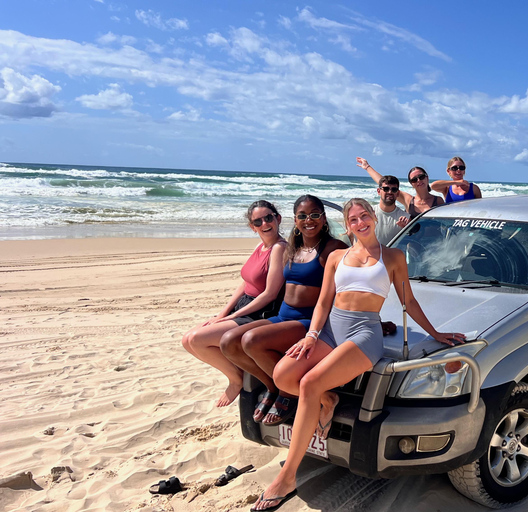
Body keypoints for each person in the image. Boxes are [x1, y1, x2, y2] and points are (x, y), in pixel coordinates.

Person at [249, 198, 465, 511]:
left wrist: (437, 335)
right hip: (331, 329)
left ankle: (287, 476)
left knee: (309, 383)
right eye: (353, 219)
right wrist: (311, 336)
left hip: (364, 334)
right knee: (283, 375)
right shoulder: (337, 256)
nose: (360, 222)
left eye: (365, 216)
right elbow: (323, 303)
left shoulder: (392, 256)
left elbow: (409, 302)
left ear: (373, 217)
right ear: (347, 225)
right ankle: (328, 400)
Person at [219, 195, 347, 425]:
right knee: (228, 342)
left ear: (324, 218)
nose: (309, 220)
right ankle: (273, 385)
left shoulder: (333, 248)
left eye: (315, 214)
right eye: (302, 216)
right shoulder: (294, 247)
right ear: (295, 220)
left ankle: (288, 393)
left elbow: (350, 288)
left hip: (308, 321)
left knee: (251, 340)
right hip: (282, 316)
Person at [181, 201, 286, 407]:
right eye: (258, 221)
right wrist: (222, 314)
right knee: (187, 340)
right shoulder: (260, 246)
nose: (264, 223)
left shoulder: (279, 248)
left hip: (260, 312)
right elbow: (245, 283)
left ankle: (236, 380)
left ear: (278, 219)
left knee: (197, 339)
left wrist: (230, 318)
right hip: (243, 306)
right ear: (252, 227)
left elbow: (269, 294)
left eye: (268, 217)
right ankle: (239, 373)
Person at [356, 157, 444, 220]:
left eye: (421, 177)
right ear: (411, 184)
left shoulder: (438, 201)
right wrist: (367, 167)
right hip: (413, 244)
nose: (418, 181)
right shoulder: (408, 200)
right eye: (414, 179)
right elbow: (384, 183)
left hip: (435, 243)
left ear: (427, 178)